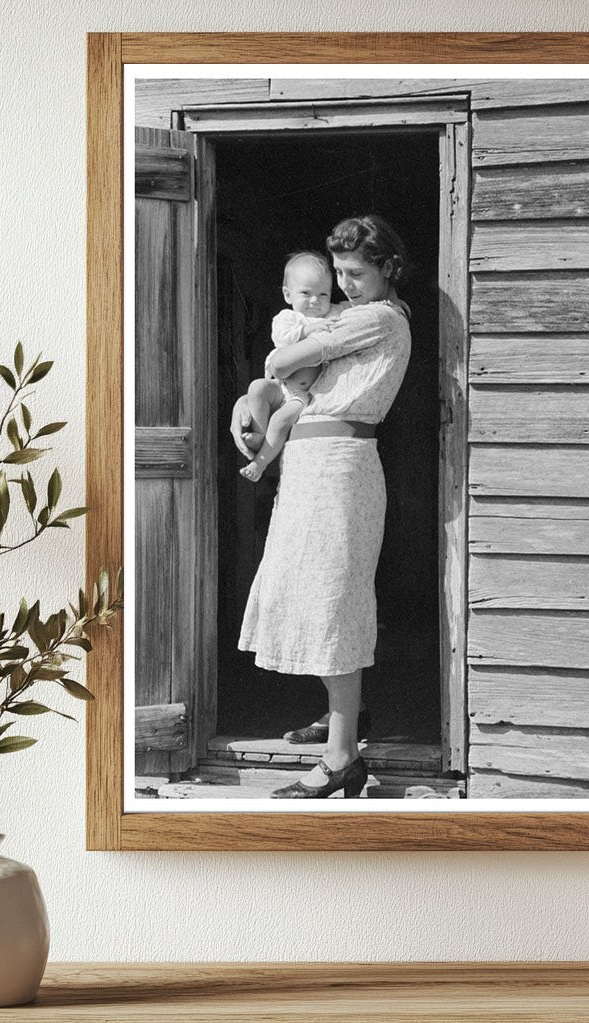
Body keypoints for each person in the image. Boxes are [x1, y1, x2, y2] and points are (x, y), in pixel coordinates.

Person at [232, 214, 412, 799]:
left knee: (332, 597)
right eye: (338, 273)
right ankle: (346, 718)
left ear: (388, 269)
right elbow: (284, 376)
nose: (346, 283)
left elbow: (284, 362)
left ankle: (341, 758)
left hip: (340, 468)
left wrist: (272, 376)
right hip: (309, 466)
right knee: (310, 592)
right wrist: (253, 397)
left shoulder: (380, 317)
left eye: (356, 272)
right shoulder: (346, 315)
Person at [239, 252, 349, 483]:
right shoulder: (288, 318)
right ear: (287, 294)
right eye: (306, 293)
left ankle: (260, 463)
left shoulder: (332, 314)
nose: (315, 301)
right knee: (257, 387)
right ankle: (259, 434)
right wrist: (307, 331)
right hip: (279, 385)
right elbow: (282, 337)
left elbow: (355, 309)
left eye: (323, 294)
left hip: (300, 395)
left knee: (280, 421)